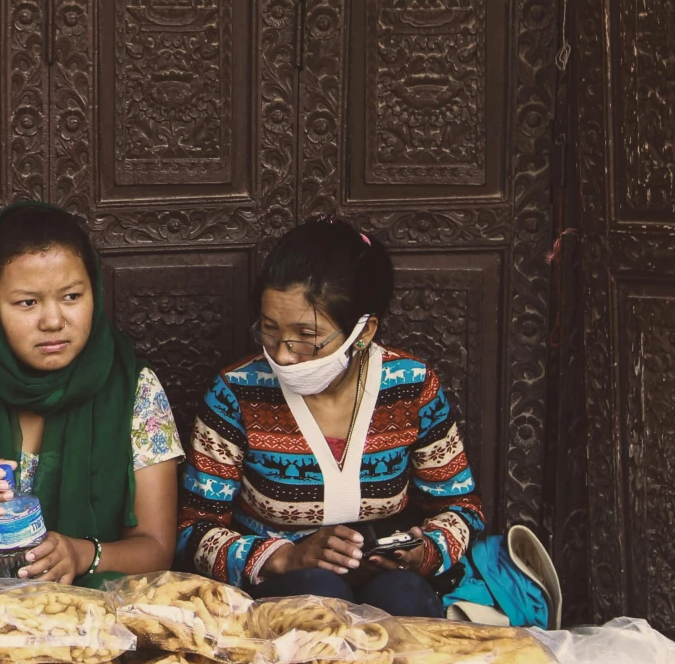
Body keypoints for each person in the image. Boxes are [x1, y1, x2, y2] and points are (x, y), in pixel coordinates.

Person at [179, 217, 484, 615]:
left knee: (403, 598)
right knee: (319, 595)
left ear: (365, 331)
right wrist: (286, 558)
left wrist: (422, 551)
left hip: (389, 579)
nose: (283, 354)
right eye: (270, 331)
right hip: (286, 587)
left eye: (307, 337)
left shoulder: (410, 386)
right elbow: (193, 531)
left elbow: (462, 506)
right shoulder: (236, 393)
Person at [0, 203, 180, 583]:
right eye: (27, 302)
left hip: (86, 602)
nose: (53, 321)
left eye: (71, 297)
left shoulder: (135, 390)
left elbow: (156, 549)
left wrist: (82, 555)